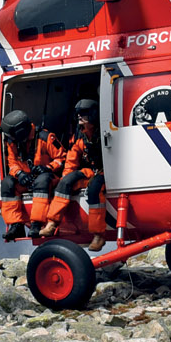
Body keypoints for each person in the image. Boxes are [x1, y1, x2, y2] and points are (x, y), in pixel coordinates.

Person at [42, 98, 108, 250]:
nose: (79, 117)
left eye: (83, 114)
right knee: (65, 181)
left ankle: (98, 235)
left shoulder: (104, 132)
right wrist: (65, 180)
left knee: (95, 189)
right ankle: (52, 223)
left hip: (107, 172)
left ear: (93, 115)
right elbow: (72, 159)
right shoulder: (80, 136)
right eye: (78, 114)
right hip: (91, 171)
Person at [0, 110, 52, 241]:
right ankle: (16, 225)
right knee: (7, 184)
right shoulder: (13, 142)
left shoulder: (46, 138)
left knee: (42, 181)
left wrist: (47, 168)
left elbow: (62, 159)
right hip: (26, 178)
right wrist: (20, 174)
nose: (9, 138)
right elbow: (12, 162)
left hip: (47, 177)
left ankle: (37, 224)